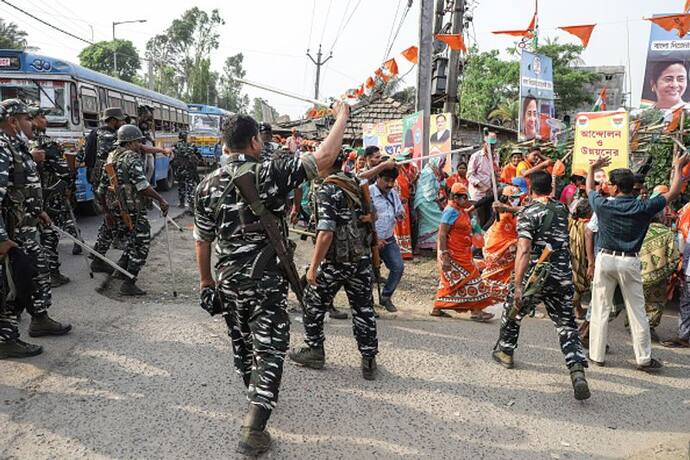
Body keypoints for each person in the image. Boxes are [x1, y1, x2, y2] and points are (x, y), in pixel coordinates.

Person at [194, 104, 349, 456]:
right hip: (265, 280)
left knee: (242, 342)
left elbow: (202, 240)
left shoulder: (205, 186)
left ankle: (256, 395)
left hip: (228, 280)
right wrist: (342, 117)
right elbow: (324, 158)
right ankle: (254, 427)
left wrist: (206, 284)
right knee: (271, 349)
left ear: (224, 144)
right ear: (253, 141)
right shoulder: (269, 173)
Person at [493, 170, 591, 401]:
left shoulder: (528, 213)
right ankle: (577, 369)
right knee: (566, 323)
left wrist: (518, 285)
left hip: (535, 276)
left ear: (531, 188)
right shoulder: (561, 208)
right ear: (550, 188)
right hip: (561, 275)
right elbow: (540, 210)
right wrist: (509, 209)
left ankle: (506, 351)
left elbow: (524, 249)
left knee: (513, 310)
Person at [586, 154, 689, 372]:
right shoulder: (643, 207)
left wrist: (592, 168)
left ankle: (596, 356)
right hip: (630, 261)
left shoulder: (603, 204)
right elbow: (674, 191)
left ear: (614, 187)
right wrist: (679, 167)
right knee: (637, 311)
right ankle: (643, 359)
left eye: (610, 184)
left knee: (600, 308)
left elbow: (589, 189)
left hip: (604, 259)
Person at [288, 143, 379, 381]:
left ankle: (314, 350)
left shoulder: (328, 190)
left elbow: (326, 232)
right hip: (360, 258)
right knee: (363, 308)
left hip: (335, 262)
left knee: (312, 302)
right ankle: (369, 359)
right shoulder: (355, 182)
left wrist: (314, 267)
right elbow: (372, 214)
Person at [0, 99, 72, 359]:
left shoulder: (16, 146)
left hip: (26, 226)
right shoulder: (2, 148)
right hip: (11, 233)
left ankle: (40, 318)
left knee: (36, 274)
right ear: (13, 121)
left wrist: (37, 210)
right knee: (11, 285)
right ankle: (6, 339)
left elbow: (20, 188)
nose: (31, 123)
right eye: (27, 118)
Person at [94, 125, 170, 296]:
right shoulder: (131, 158)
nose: (139, 145)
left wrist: (107, 212)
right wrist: (161, 199)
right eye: (137, 142)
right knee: (141, 243)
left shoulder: (111, 156)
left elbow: (100, 190)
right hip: (132, 210)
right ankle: (129, 283)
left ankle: (121, 270)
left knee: (132, 240)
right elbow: (143, 187)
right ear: (130, 142)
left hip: (116, 209)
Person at [432, 182, 506, 320]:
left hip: (463, 252)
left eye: (465, 197)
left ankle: (438, 306)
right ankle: (476, 310)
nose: (464, 200)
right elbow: (442, 234)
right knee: (472, 277)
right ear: (454, 197)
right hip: (453, 253)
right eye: (461, 197)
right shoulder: (450, 211)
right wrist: (444, 254)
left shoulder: (461, 211)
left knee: (454, 282)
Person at [30, 106, 83, 287]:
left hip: (30, 198)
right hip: (49, 195)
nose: (45, 119)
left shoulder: (22, 143)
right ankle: (52, 274)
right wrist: (70, 181)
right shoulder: (46, 143)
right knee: (50, 235)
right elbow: (62, 169)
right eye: (42, 116)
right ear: (34, 119)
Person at [639, 212, 679, 343]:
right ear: (662, 219)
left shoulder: (641, 230)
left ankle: (635, 326)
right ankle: (649, 327)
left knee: (638, 302)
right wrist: (665, 273)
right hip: (658, 277)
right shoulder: (668, 234)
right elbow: (674, 258)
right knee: (655, 304)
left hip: (638, 274)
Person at [370, 167, 405, 312]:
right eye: (386, 180)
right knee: (368, 274)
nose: (389, 184)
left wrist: (400, 215)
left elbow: (399, 211)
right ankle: (367, 305)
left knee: (398, 267)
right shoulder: (369, 193)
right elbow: (364, 218)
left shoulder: (393, 193)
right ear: (378, 177)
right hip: (370, 240)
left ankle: (386, 296)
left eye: (392, 181)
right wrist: (375, 239)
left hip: (388, 238)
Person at [481, 185, 523, 284]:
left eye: (518, 197)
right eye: (514, 198)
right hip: (498, 247)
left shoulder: (509, 210)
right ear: (506, 198)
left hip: (501, 244)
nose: (517, 200)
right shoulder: (505, 213)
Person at [413, 156, 447, 250]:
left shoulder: (432, 172)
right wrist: (438, 202)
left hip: (426, 201)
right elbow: (429, 193)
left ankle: (426, 245)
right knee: (440, 221)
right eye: (442, 164)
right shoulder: (428, 173)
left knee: (427, 224)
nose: (443, 166)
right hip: (425, 202)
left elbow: (441, 185)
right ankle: (435, 244)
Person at [467, 131, 499, 226]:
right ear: (484, 143)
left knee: (490, 220)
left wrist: (495, 185)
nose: (491, 147)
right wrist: (483, 186)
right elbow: (469, 175)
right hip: (478, 195)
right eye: (489, 144)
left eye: (493, 145)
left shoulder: (495, 156)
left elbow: (495, 173)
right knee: (479, 221)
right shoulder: (476, 156)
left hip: (491, 194)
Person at [568, 199, 593, 320]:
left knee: (576, 284)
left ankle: (577, 309)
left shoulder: (571, 222)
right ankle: (570, 311)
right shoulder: (588, 226)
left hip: (573, 259)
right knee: (578, 286)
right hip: (582, 260)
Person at [92, 107, 127, 188]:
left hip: (96, 174)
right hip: (107, 175)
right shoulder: (109, 136)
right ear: (113, 121)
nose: (123, 122)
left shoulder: (95, 132)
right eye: (121, 120)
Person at [394, 153, 419, 260]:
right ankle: (397, 251)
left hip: (405, 205)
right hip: (395, 205)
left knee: (405, 227)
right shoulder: (393, 176)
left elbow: (408, 186)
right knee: (397, 228)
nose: (400, 165)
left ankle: (406, 251)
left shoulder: (404, 174)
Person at [171, 131, 201, 210]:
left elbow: (172, 154)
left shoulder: (175, 145)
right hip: (190, 170)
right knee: (190, 187)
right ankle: (191, 206)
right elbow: (199, 155)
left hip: (179, 169)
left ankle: (181, 203)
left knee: (181, 186)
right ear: (185, 137)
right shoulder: (192, 145)